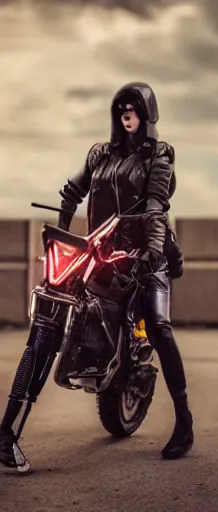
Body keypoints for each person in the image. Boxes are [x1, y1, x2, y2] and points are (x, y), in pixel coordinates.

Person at [0, 82, 193, 468]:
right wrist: (63, 235)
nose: (126, 112)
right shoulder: (100, 154)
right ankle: (8, 435)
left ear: (147, 114)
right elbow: (71, 191)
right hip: (99, 252)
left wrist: (152, 254)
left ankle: (184, 421)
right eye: (120, 107)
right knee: (48, 324)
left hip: (144, 253)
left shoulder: (159, 155)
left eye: (133, 107)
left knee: (157, 325)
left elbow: (156, 208)